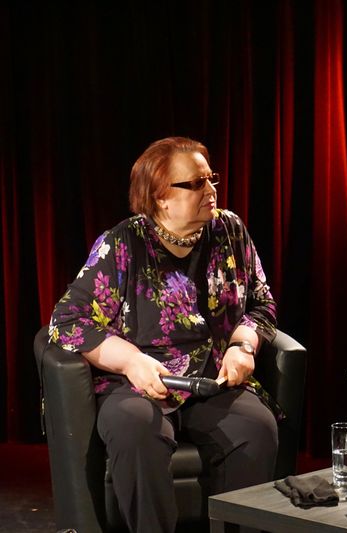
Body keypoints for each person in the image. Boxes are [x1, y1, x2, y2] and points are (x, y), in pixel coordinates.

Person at [49, 137, 279, 533]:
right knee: (135, 429)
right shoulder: (122, 244)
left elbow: (262, 302)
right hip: (138, 385)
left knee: (257, 428)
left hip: (212, 380)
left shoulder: (230, 230)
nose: (211, 191)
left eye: (211, 179)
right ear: (160, 198)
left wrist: (243, 345)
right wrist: (130, 361)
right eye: (195, 183)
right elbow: (66, 321)